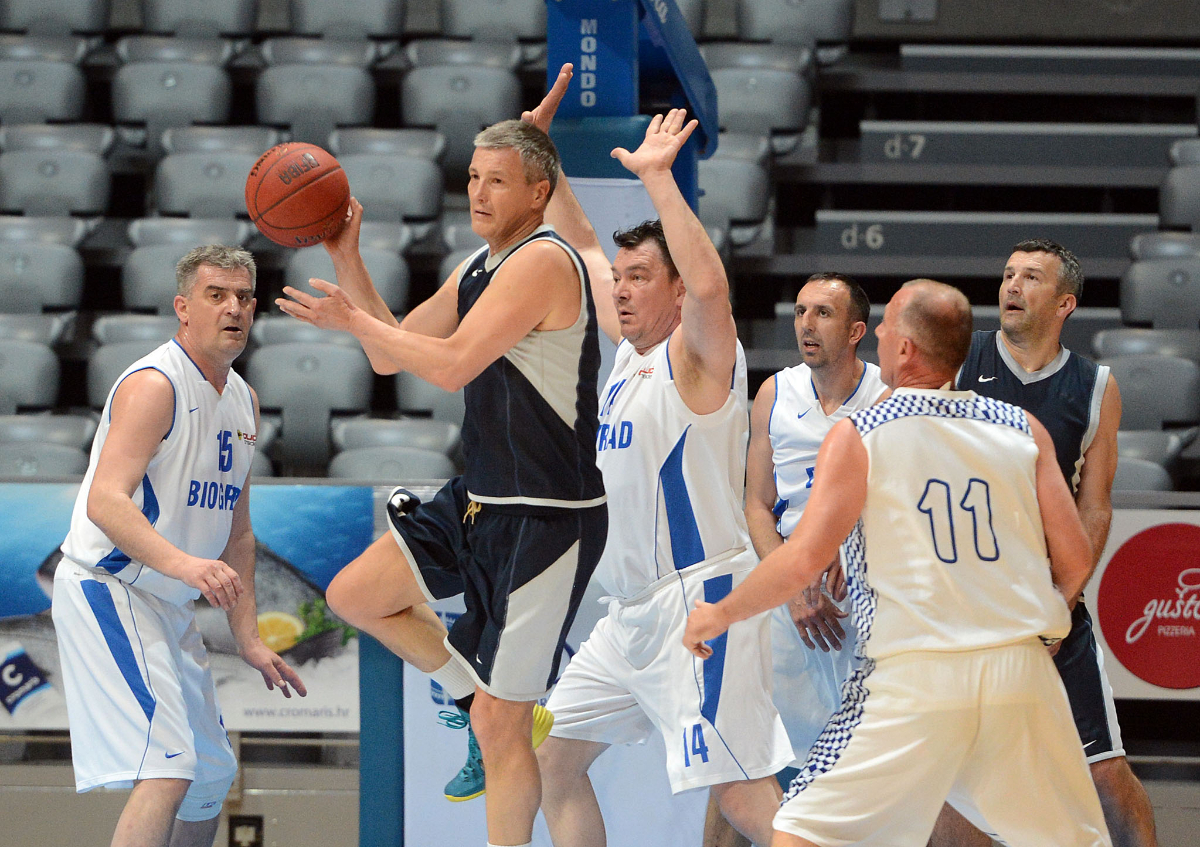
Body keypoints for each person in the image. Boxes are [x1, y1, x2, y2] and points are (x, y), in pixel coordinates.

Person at [684, 279, 1113, 847]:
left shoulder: (860, 433)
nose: (880, 335)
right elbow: (1076, 558)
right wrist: (1049, 624)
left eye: (886, 328)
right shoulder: (1023, 428)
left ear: (906, 349)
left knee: (797, 832)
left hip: (915, 674)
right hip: (1020, 672)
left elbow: (804, 557)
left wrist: (720, 613)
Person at [277, 115, 607, 847]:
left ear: (539, 191)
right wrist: (348, 258)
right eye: (473, 178)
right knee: (354, 595)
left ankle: (493, 724)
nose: (479, 193)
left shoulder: (544, 261)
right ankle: (469, 695)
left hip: (545, 515)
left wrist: (352, 320)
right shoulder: (481, 266)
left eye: (498, 181)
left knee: (501, 724)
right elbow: (391, 354)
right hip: (482, 497)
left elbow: (452, 364)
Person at [525, 68, 791, 847]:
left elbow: (710, 289)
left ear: (675, 292)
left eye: (641, 277)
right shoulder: (629, 355)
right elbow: (581, 242)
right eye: (622, 278)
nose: (622, 289)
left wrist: (659, 180)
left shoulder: (699, 357)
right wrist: (543, 159)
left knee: (742, 797)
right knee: (551, 757)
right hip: (629, 616)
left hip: (699, 601)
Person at [52, 245, 307, 847]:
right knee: (168, 766)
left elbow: (238, 533)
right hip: (109, 587)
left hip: (165, 602)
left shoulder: (243, 399)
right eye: (216, 295)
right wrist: (185, 564)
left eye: (243, 297)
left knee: (210, 775)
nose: (233, 308)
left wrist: (248, 638)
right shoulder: (154, 384)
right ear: (183, 308)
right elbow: (105, 501)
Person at [932, 238, 1154, 847]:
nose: (1012, 285)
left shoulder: (1095, 385)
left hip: (1049, 606)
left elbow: (1095, 505)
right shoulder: (960, 360)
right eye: (1008, 274)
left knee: (1104, 773)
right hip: (966, 606)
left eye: (1031, 277)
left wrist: (1062, 602)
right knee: (956, 786)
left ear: (1064, 303)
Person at [706, 273, 889, 847]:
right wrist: (791, 581)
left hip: (865, 596)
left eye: (823, 314)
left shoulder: (886, 395)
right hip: (788, 593)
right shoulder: (775, 392)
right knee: (748, 761)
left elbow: (902, 501)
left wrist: (849, 547)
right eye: (801, 311)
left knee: (869, 768)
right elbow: (756, 505)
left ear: (856, 331)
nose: (806, 325)